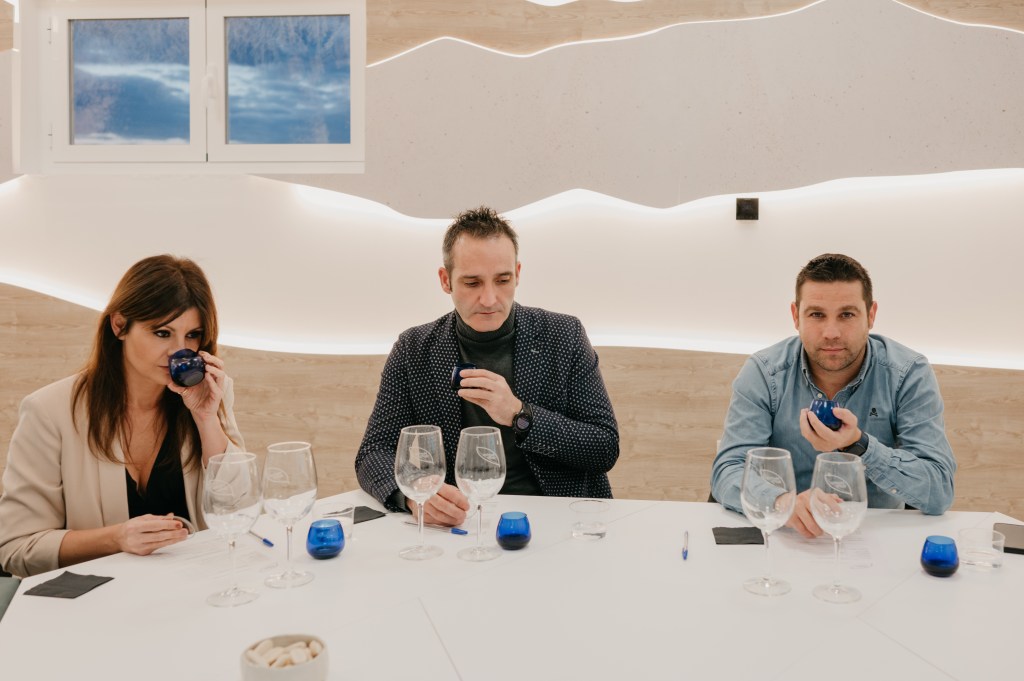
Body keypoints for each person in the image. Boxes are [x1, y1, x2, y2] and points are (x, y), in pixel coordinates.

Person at [355, 206, 619, 525]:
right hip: (460, 522)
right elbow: (374, 451)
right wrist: (412, 497)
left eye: (503, 280)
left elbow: (604, 447)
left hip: (561, 518)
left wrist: (519, 415)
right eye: (472, 283)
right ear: (445, 280)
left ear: (517, 274)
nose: (490, 299)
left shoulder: (563, 335)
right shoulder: (414, 348)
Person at [0, 255, 244, 577]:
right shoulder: (48, 411)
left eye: (192, 335)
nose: (178, 352)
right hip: (96, 597)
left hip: (196, 586)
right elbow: (17, 548)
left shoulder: (210, 393)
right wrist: (116, 539)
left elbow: (239, 509)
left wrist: (205, 418)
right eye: (162, 333)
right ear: (119, 326)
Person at [710, 253, 955, 537]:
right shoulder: (764, 372)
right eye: (816, 314)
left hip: (875, 538)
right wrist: (782, 503)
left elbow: (939, 489)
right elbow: (728, 469)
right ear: (795, 316)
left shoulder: (908, 374)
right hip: (787, 536)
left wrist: (859, 445)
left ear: (871, 315)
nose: (831, 332)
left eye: (847, 315)